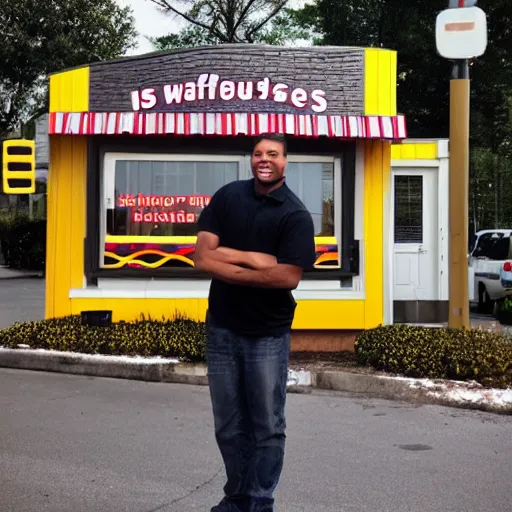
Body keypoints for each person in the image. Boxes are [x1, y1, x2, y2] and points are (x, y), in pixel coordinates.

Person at [195, 133, 316, 512]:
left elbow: (287, 278)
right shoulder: (228, 196)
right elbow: (201, 257)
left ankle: (260, 502)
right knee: (228, 426)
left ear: (285, 162)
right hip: (222, 328)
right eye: (258, 153)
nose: (264, 159)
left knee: (266, 426)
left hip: (267, 334)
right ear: (252, 158)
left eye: (273, 154)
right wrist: (257, 259)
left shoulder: (295, 215)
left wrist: (228, 260)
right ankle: (237, 497)